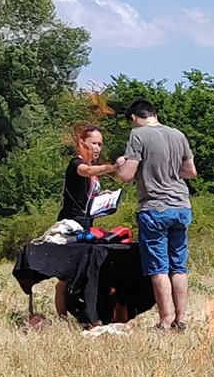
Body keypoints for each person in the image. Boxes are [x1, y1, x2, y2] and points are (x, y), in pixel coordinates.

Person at [114, 99, 197, 332]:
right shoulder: (178, 134)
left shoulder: (138, 135)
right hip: (181, 206)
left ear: (133, 118)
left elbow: (127, 176)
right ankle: (181, 320)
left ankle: (165, 320)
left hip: (154, 208)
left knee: (159, 268)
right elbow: (190, 171)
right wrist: (168, 170)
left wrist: (120, 163)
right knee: (178, 266)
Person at [56, 125, 118, 317]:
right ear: (82, 143)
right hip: (71, 224)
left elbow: (88, 197)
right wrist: (114, 168)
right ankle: (61, 316)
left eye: (100, 144)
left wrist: (103, 198)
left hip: (86, 224)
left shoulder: (93, 174)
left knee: (85, 270)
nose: (97, 148)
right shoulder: (77, 164)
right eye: (93, 143)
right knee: (67, 275)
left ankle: (83, 310)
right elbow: (87, 170)